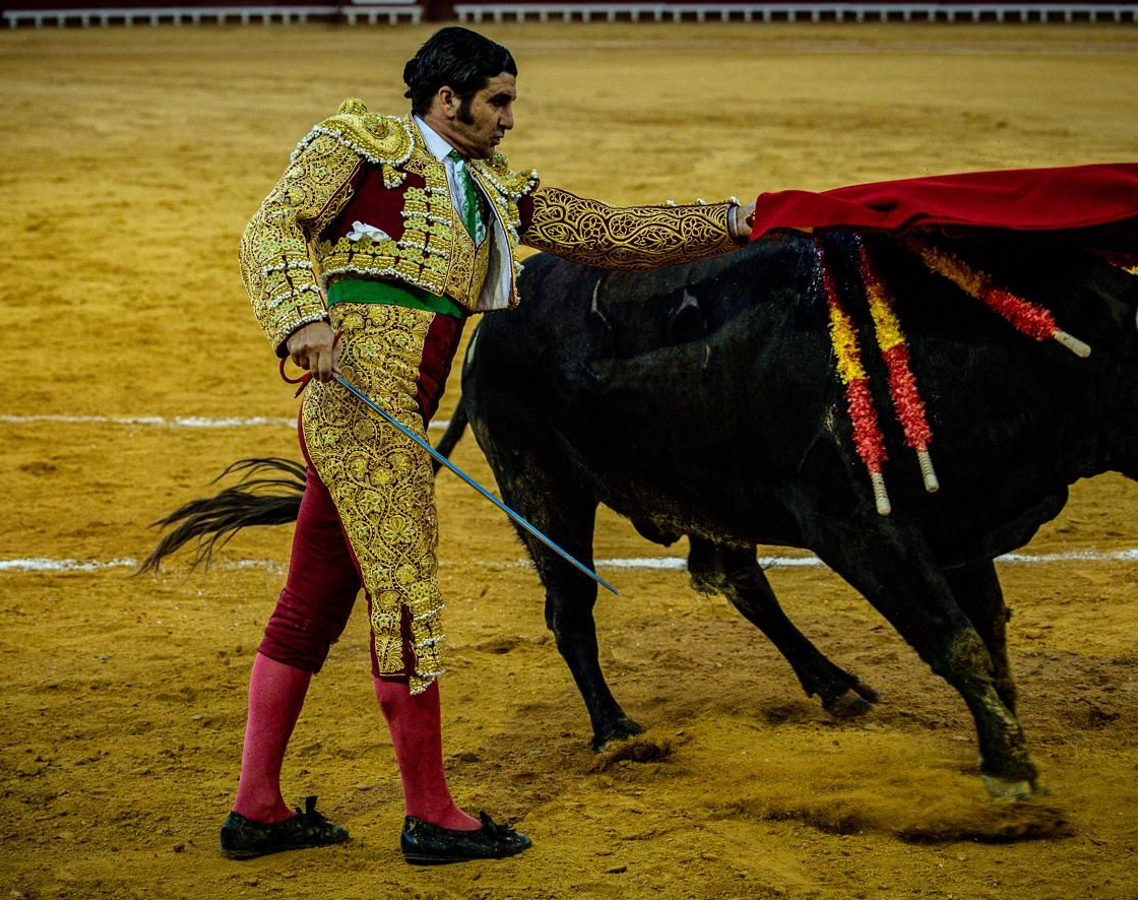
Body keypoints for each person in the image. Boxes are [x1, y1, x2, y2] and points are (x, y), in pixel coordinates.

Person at [221, 26, 756, 865]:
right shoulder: (360, 143)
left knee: (315, 599)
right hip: (360, 395)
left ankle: (258, 807)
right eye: (498, 101)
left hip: (398, 406)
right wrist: (302, 318)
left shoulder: (494, 187)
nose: (510, 118)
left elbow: (609, 232)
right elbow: (271, 229)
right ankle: (431, 814)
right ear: (449, 100)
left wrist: (735, 223)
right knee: (406, 598)